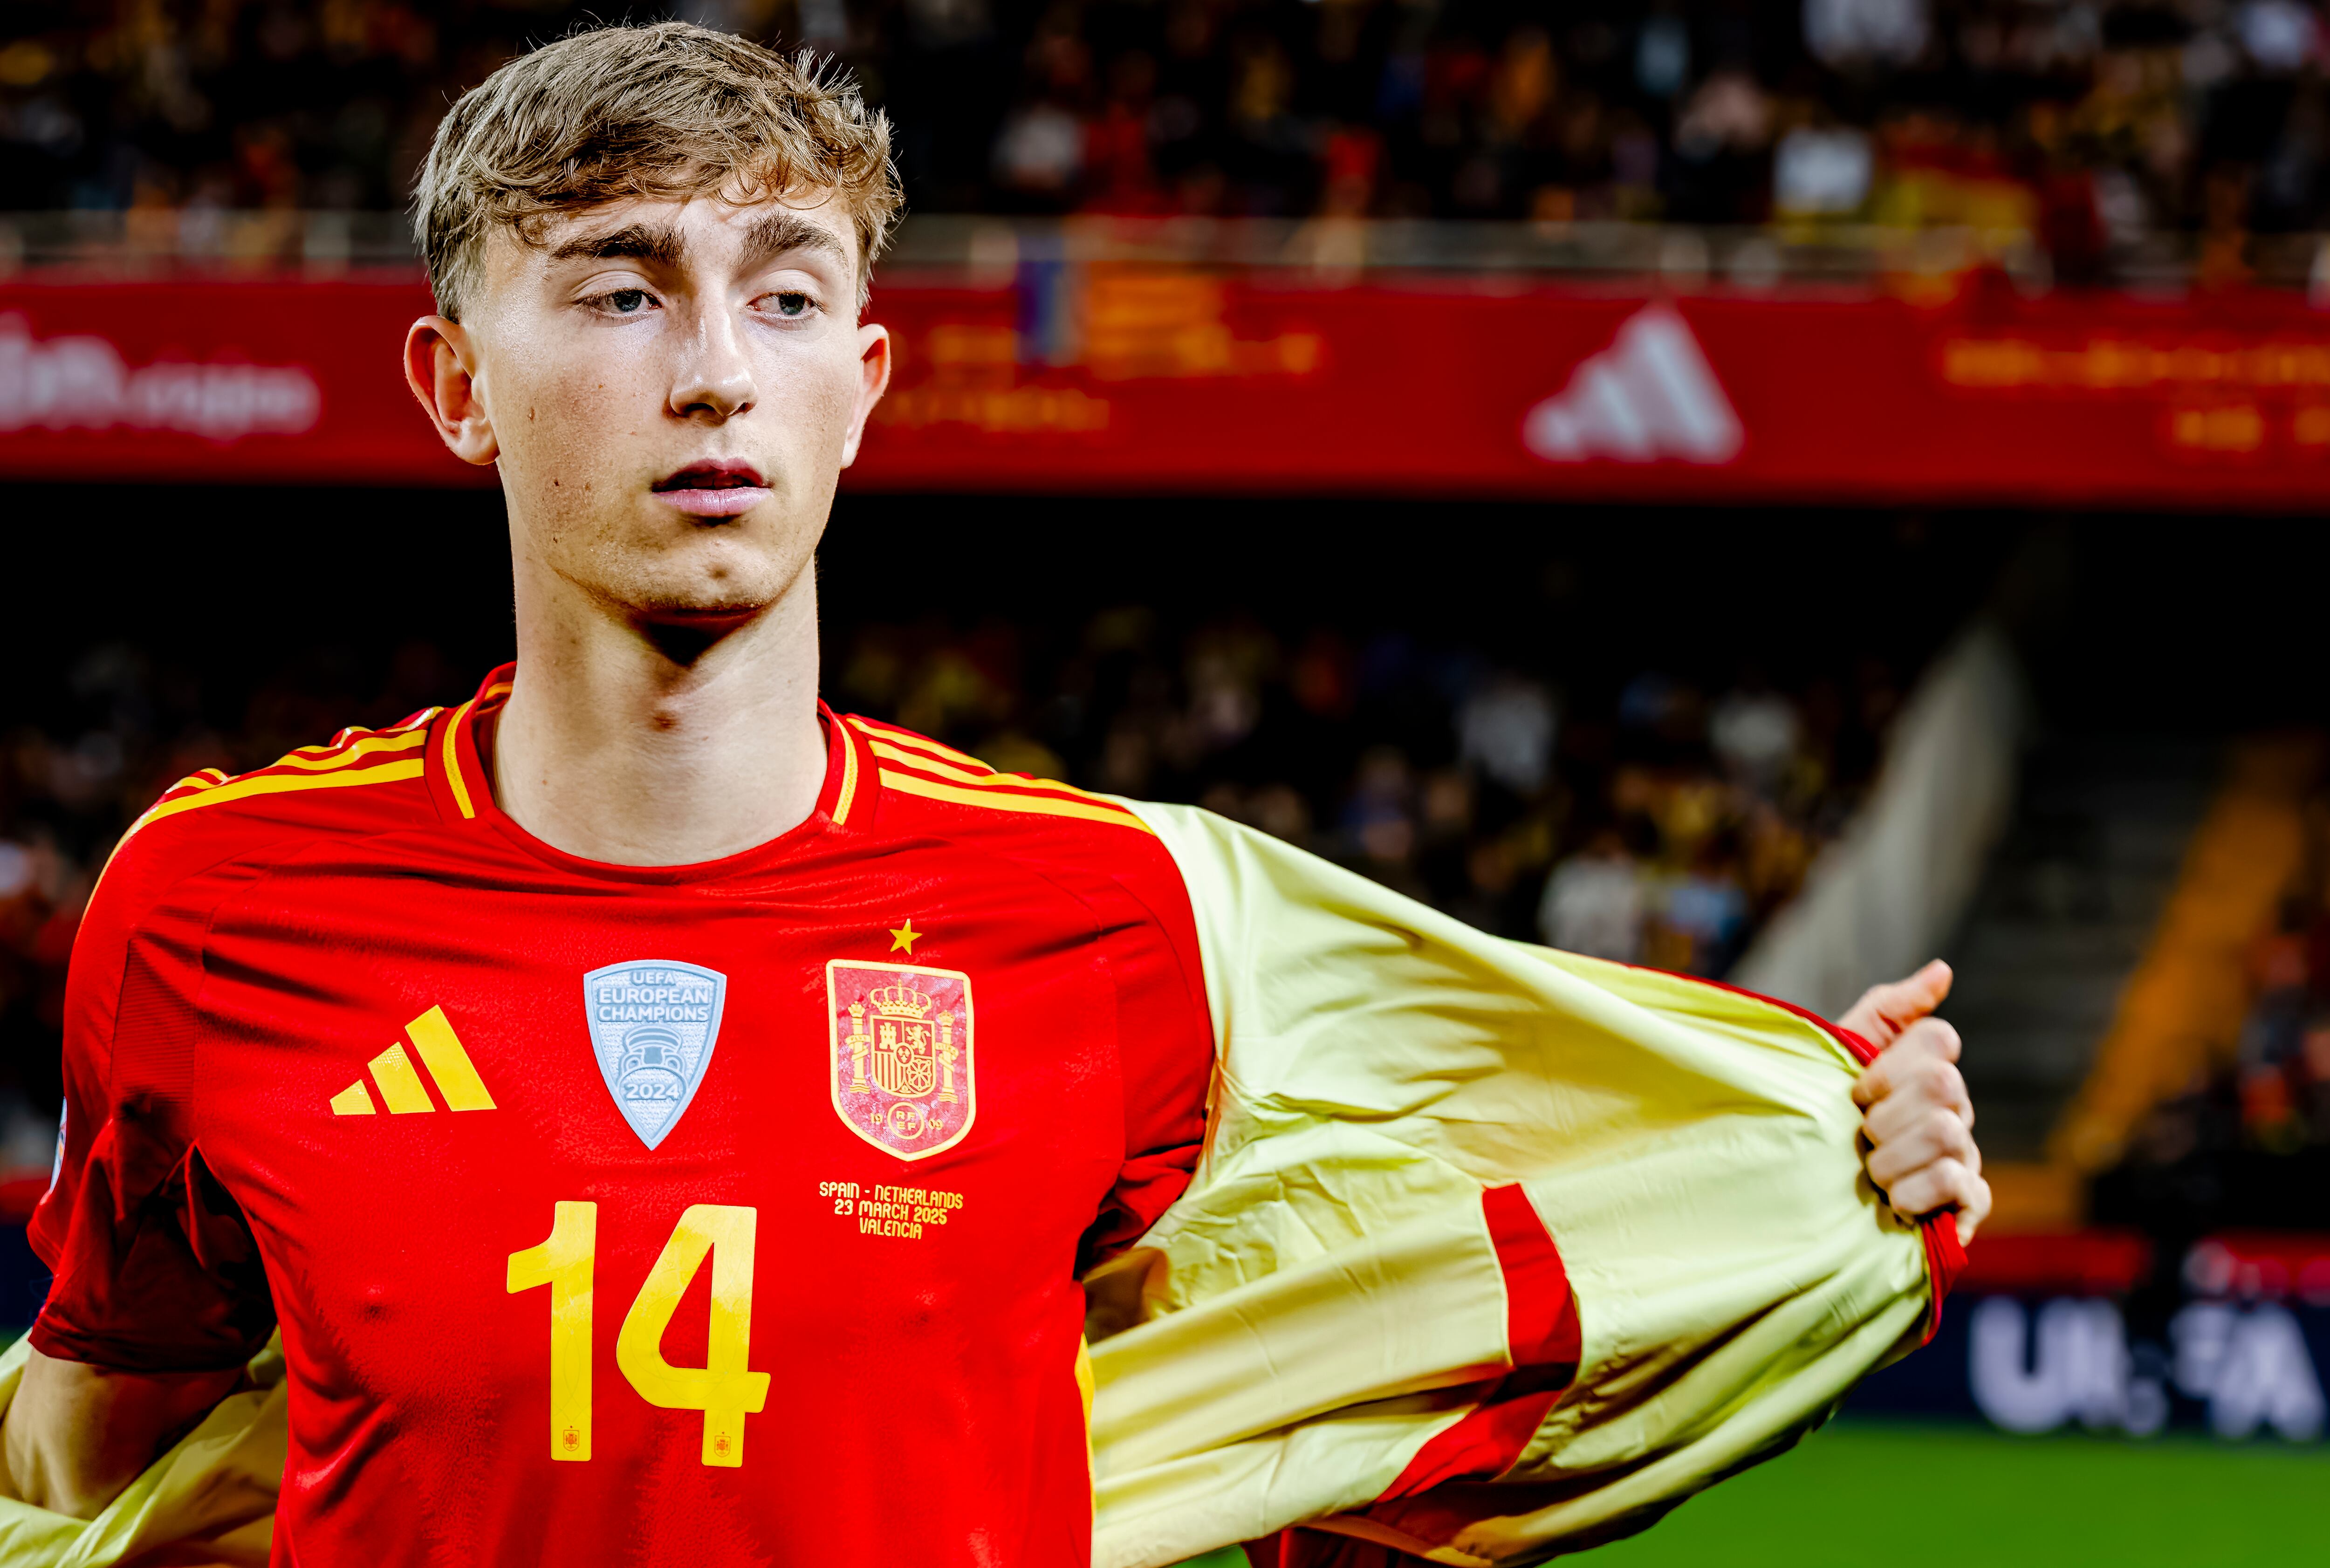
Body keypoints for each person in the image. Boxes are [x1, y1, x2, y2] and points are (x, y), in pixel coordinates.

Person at [0, 22, 1988, 1568]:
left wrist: (1822, 1136)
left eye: (781, 297)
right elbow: (106, 1482)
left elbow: (1345, 1309)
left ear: (861, 384)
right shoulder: (214, 901)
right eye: (618, 291)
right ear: (451, 384)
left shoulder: (1121, 918)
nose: (713, 372)